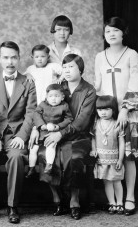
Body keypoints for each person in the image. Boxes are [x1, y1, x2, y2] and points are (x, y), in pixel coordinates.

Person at [29, 54, 96, 220]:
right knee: (45, 154)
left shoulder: (88, 90)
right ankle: (57, 198)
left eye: (71, 67)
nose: (66, 70)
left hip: (78, 136)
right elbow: (41, 109)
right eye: (64, 67)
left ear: (80, 69)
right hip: (52, 134)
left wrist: (61, 133)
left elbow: (81, 121)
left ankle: (74, 200)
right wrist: (37, 128)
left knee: (73, 158)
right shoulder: (58, 87)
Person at [0, 41, 37, 224]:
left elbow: (31, 113)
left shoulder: (28, 82)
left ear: (19, 58)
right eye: (6, 57)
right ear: (0, 58)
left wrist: (21, 136)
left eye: (13, 57)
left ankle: (13, 205)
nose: (10, 61)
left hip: (17, 134)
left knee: (17, 157)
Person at [94, 17, 138, 215]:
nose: (111, 34)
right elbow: (97, 85)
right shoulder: (100, 56)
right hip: (107, 114)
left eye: (115, 30)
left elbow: (135, 84)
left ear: (123, 32)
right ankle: (113, 198)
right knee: (111, 156)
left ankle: (130, 196)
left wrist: (125, 109)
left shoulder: (132, 55)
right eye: (108, 31)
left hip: (129, 113)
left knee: (128, 156)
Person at [26, 83, 72, 178]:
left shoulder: (64, 106)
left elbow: (69, 119)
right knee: (33, 148)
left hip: (53, 133)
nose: (54, 99)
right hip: (42, 131)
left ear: (62, 97)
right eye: (51, 96)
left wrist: (58, 127)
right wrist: (41, 125)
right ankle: (31, 168)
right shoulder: (42, 104)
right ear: (46, 97)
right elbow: (36, 114)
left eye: (57, 96)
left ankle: (49, 165)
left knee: (50, 146)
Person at [90, 95, 125, 215]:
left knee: (116, 181)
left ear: (113, 110)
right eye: (100, 110)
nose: (103, 113)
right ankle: (112, 203)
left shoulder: (116, 124)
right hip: (102, 159)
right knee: (107, 181)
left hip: (114, 159)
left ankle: (120, 202)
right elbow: (93, 138)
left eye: (106, 109)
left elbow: (121, 143)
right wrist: (93, 149)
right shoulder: (96, 124)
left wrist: (120, 159)